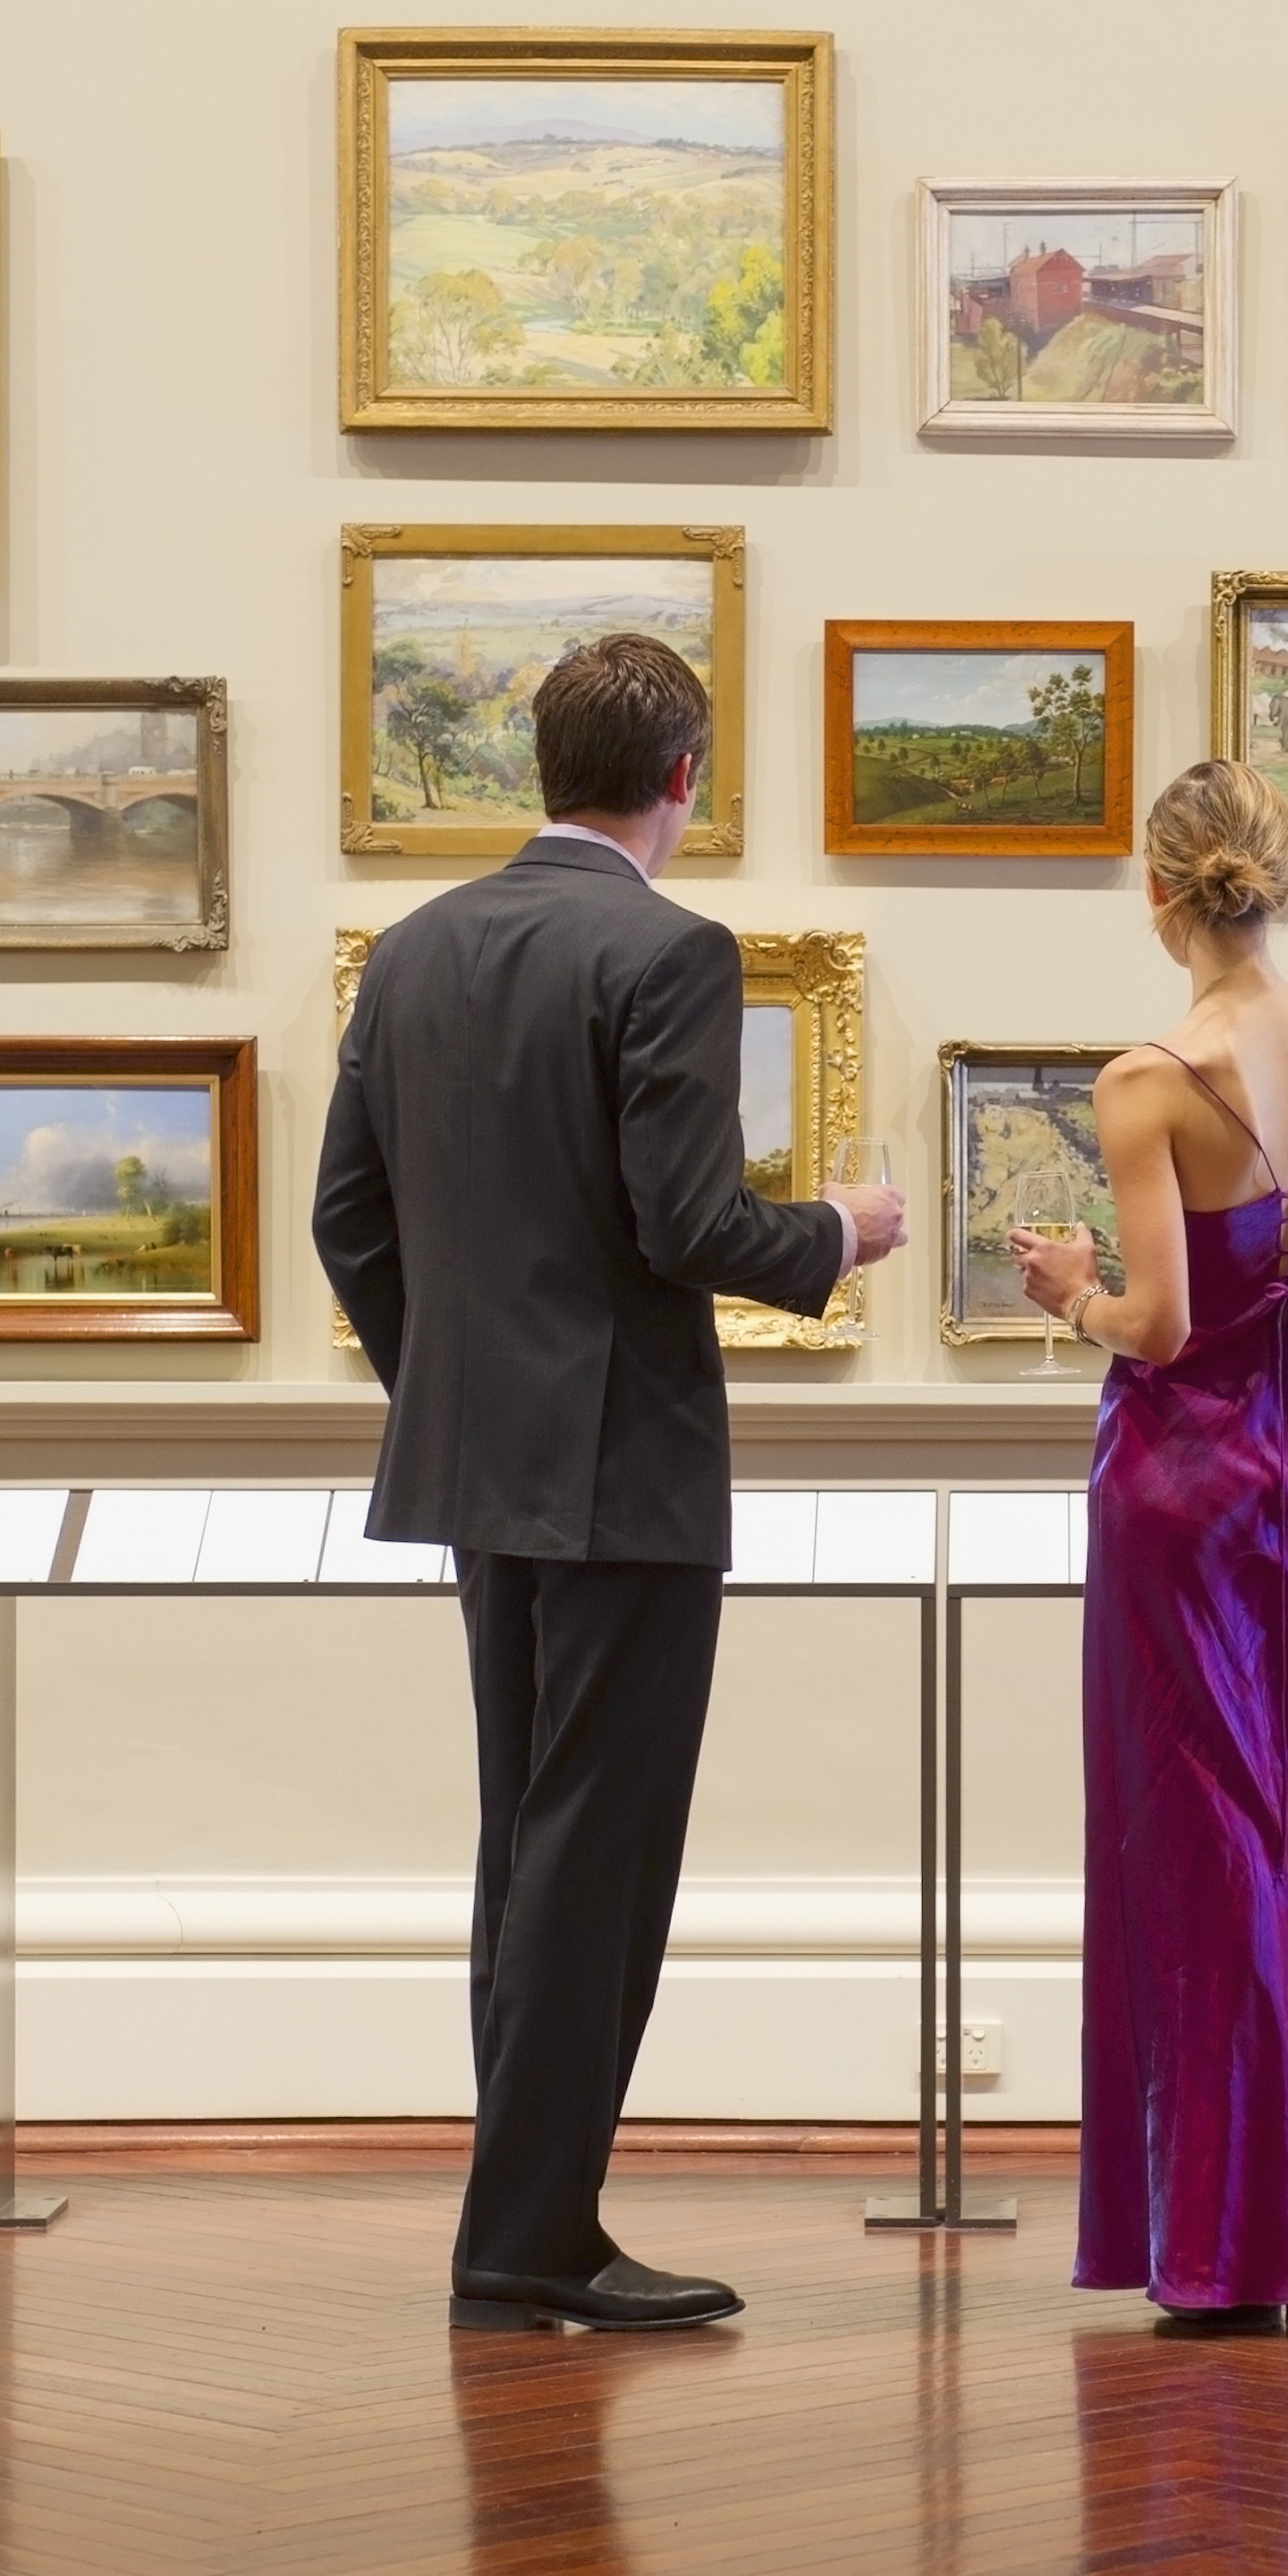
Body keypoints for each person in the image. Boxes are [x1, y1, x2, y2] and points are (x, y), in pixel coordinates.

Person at [315, 633, 908, 2334]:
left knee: (526, 1842)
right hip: (625, 1474)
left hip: (476, 1465)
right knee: (598, 1857)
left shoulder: (414, 952)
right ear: (686, 781)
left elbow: (346, 1219)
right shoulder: (668, 951)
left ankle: (525, 2224)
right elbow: (692, 1228)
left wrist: (457, 1381)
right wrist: (841, 1236)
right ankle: (526, 2238)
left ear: (543, 767)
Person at [1010, 760, 1288, 2338]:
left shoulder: (1147, 1079)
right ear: (1270, 881)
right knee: (1265, 1836)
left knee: (1193, 1840)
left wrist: (1063, 1292)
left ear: (1158, 894)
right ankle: (1248, 2233)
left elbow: (1155, 1327)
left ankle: (1221, 2249)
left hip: (1180, 1487)